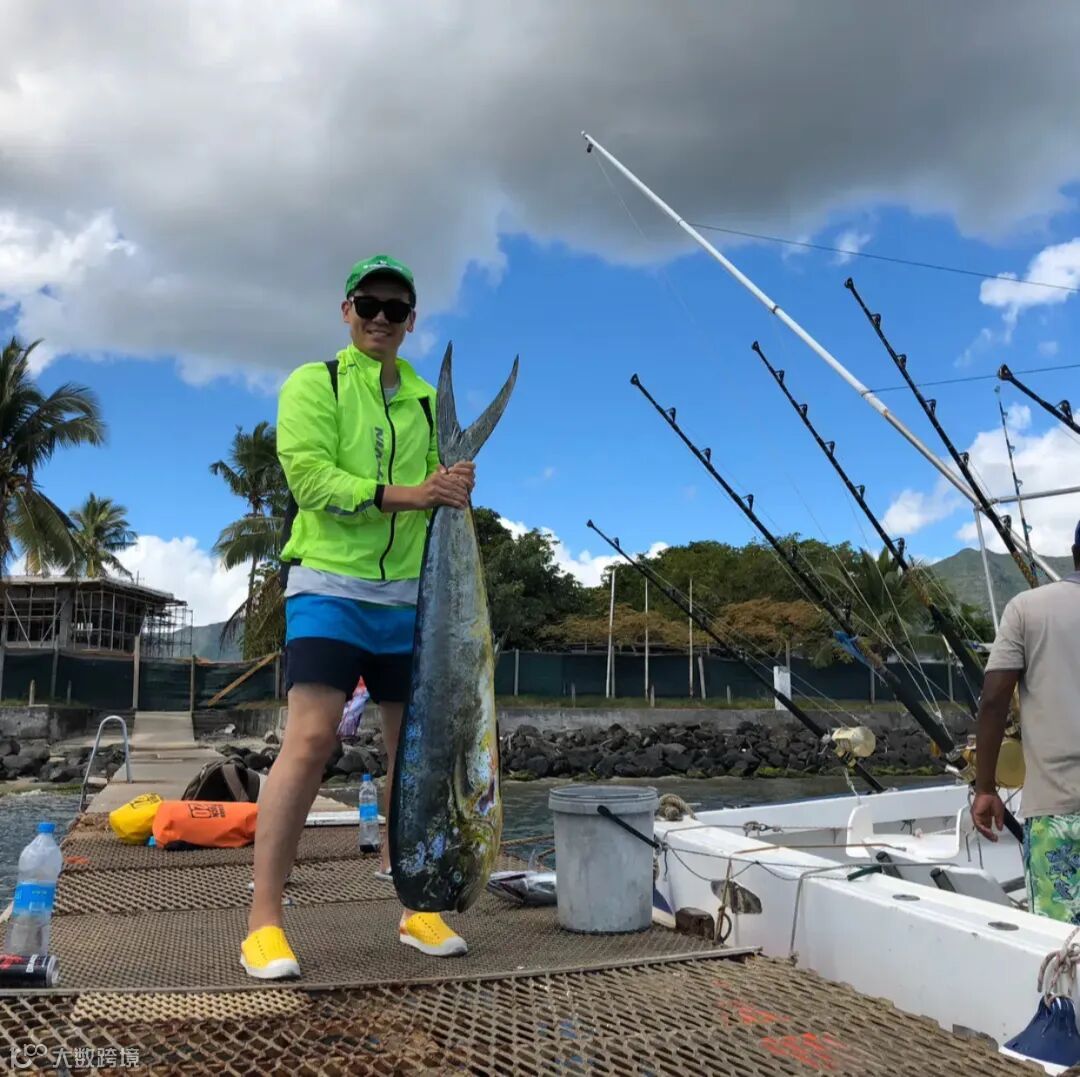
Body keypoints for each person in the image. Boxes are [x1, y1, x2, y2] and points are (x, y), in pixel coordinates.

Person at [241, 254, 475, 979]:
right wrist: (414, 494)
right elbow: (311, 479)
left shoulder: (426, 402)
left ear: (411, 320)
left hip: (411, 597)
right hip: (329, 587)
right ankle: (263, 922)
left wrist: (454, 484)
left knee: (416, 754)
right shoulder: (316, 383)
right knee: (311, 739)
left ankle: (416, 904)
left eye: (394, 309)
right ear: (347, 310)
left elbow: (438, 492)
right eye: (368, 305)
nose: (380, 318)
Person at [972, 521, 1080, 924]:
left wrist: (986, 788)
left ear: (1074, 553)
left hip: (1057, 811)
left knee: (1059, 942)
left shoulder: (1027, 608)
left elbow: (994, 700)